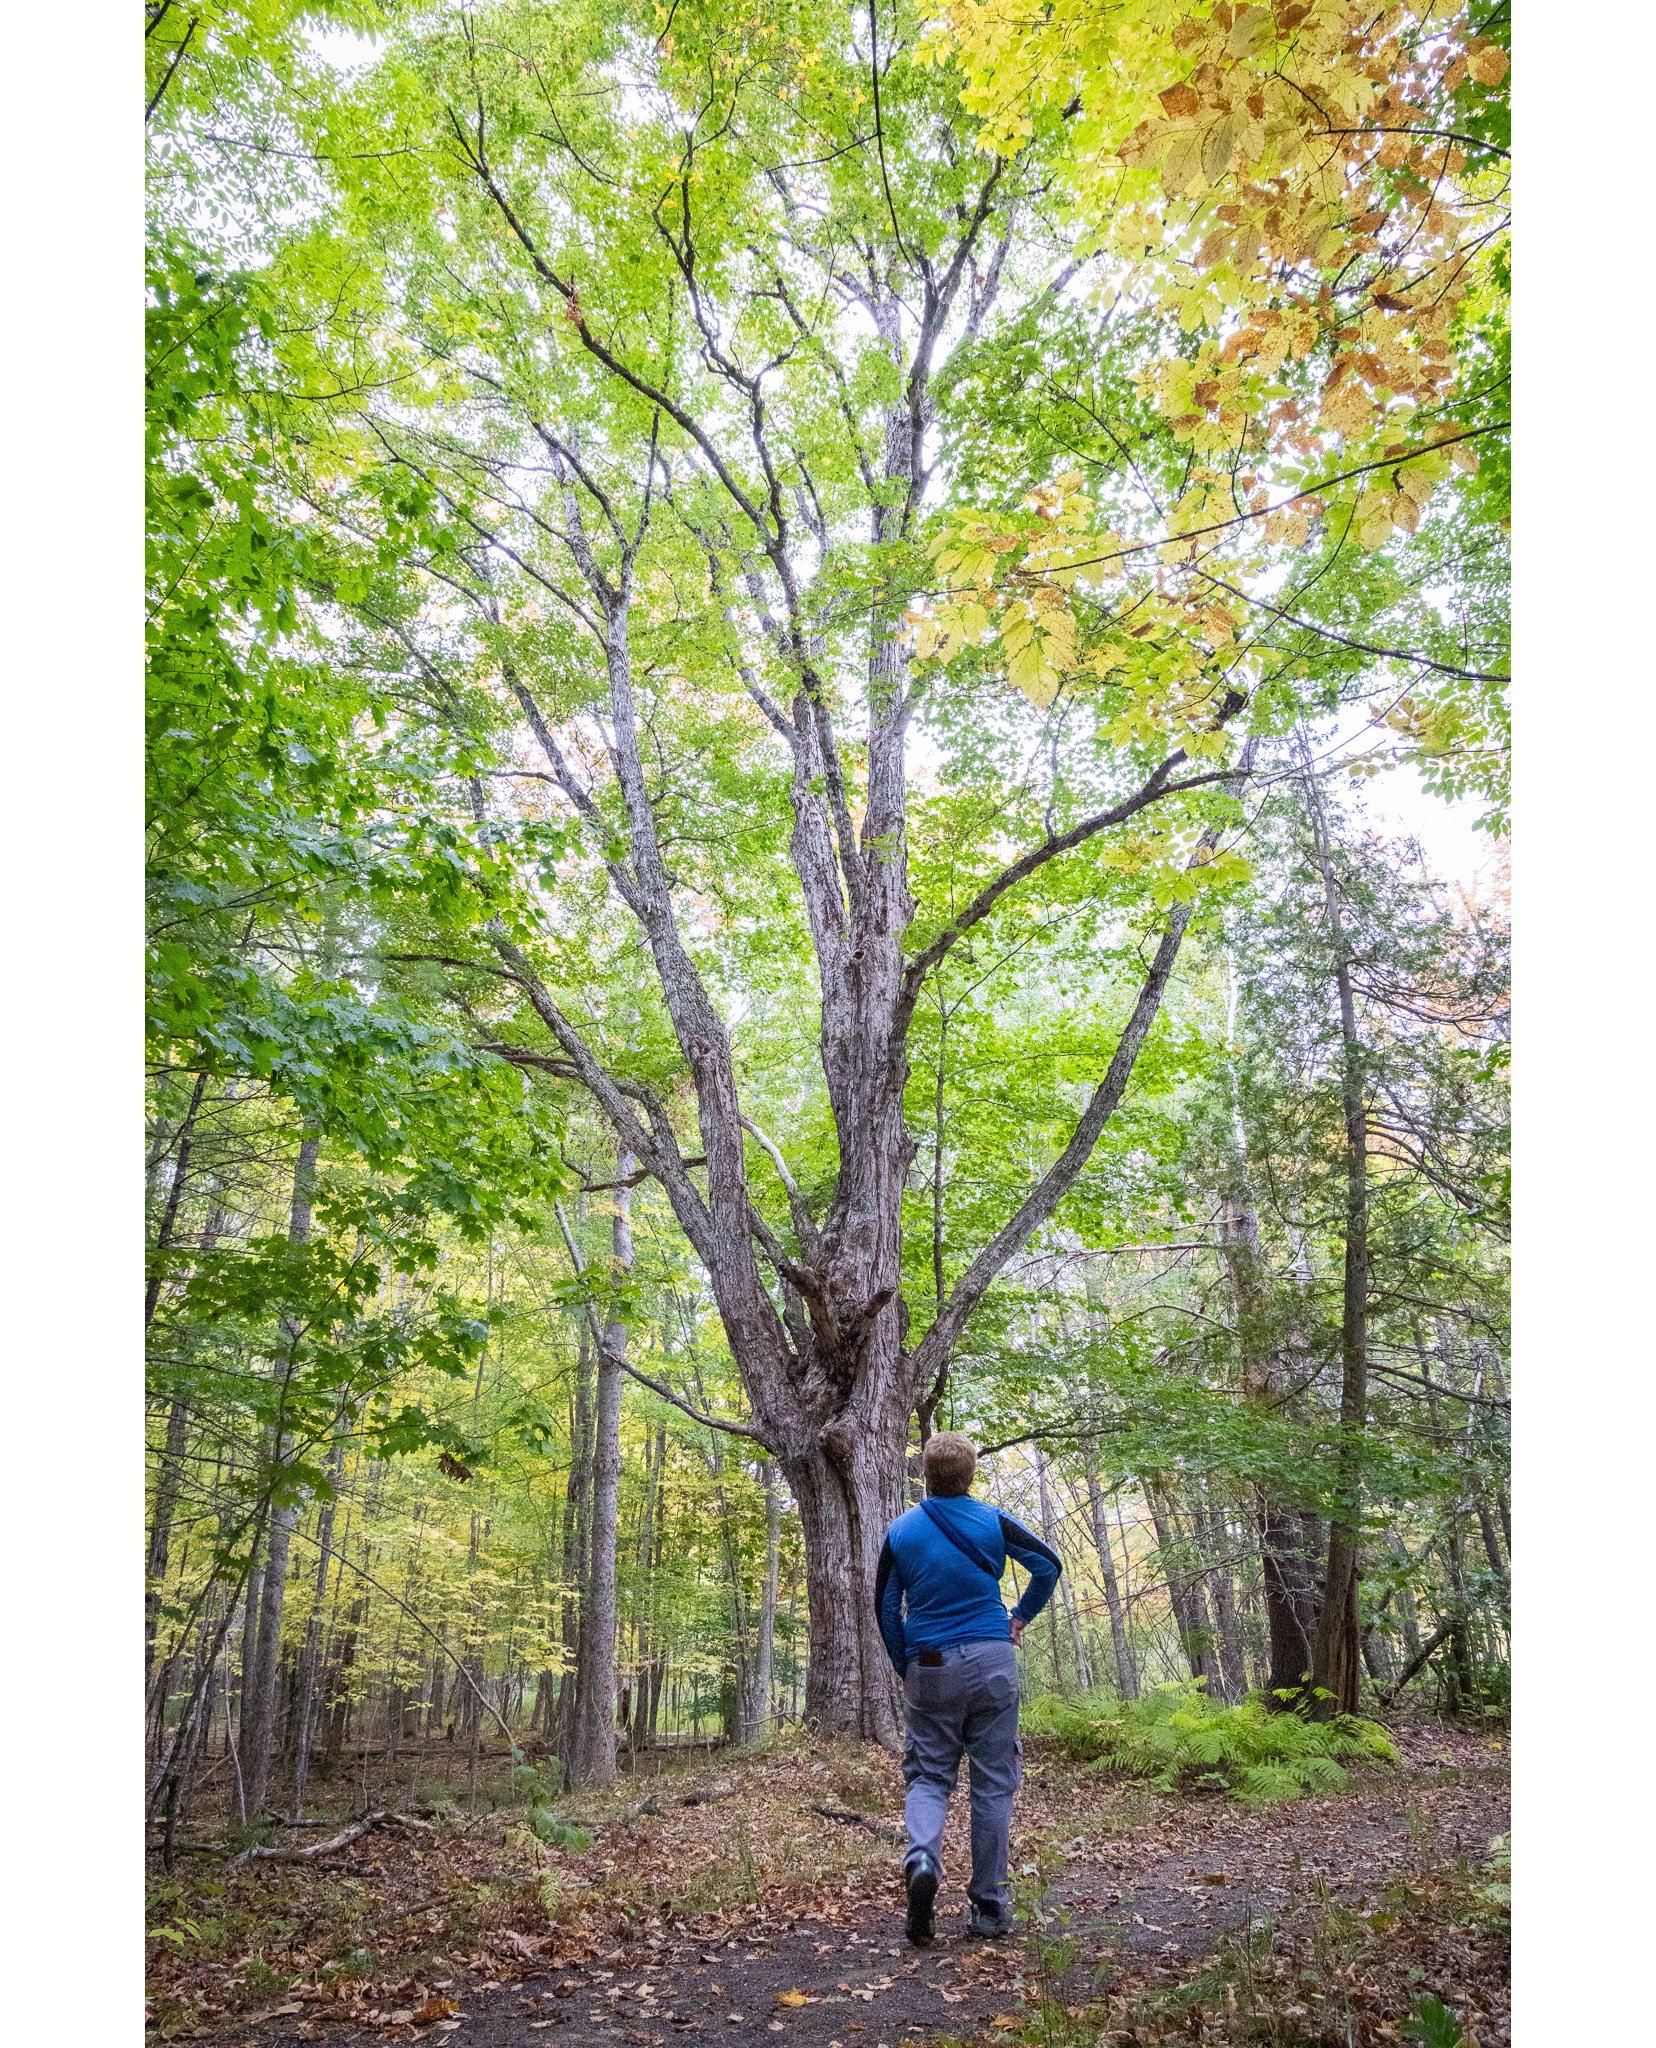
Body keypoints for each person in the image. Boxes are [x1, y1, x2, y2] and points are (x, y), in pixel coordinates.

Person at [874, 1431, 1062, 1945]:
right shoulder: (993, 1521)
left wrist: (907, 1664)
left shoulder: (901, 1531)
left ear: (926, 1474)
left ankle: (921, 1859)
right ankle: (988, 1909)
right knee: (993, 1783)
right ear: (970, 1473)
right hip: (993, 1657)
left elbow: (886, 1608)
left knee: (929, 1776)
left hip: (929, 1664)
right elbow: (1048, 1565)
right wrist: (1019, 1616)